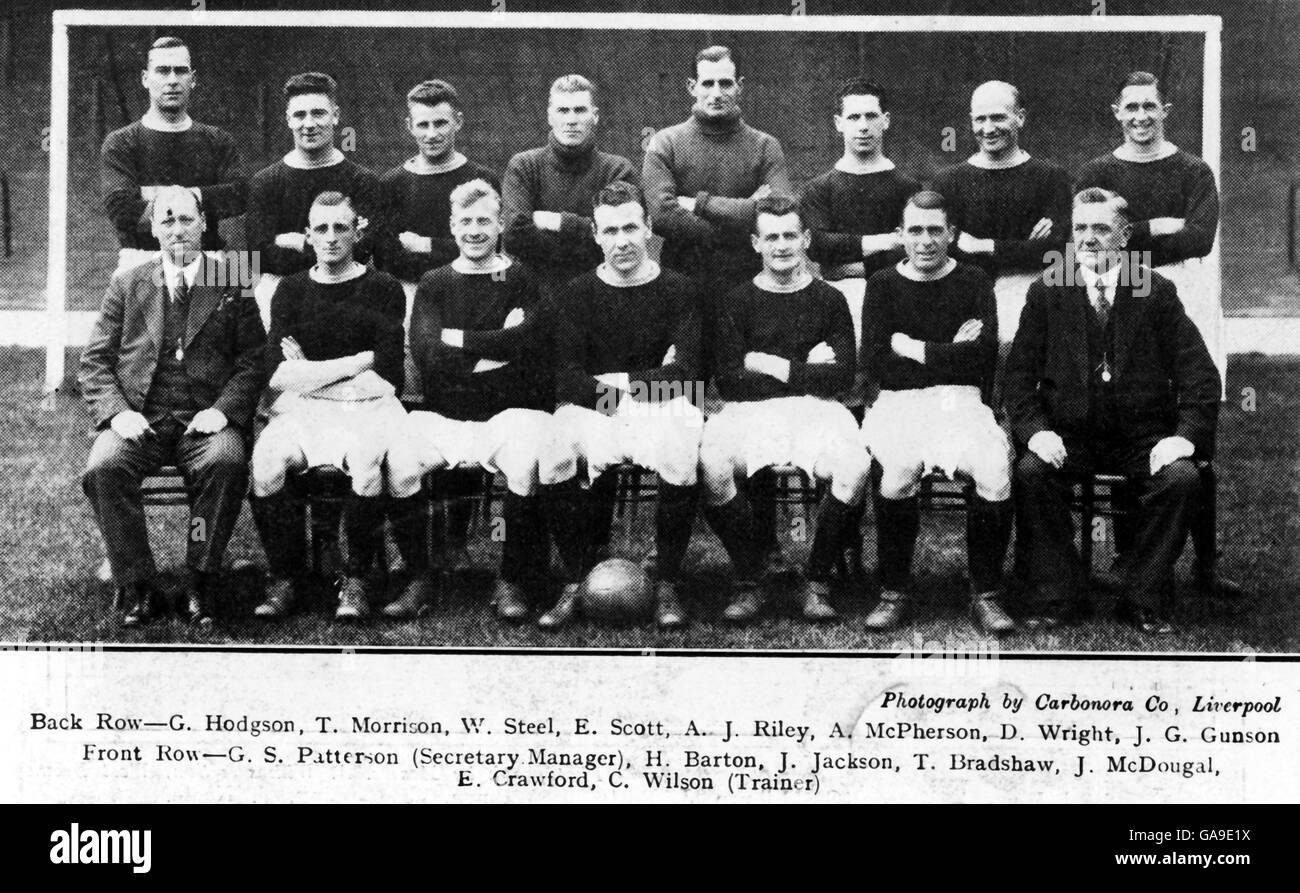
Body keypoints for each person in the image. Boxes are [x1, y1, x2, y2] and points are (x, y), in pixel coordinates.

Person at [1005, 187, 1220, 635]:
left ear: (1124, 236)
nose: (1088, 239)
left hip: (1141, 437)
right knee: (1031, 473)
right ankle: (1061, 594)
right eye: (1080, 228)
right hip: (1069, 435)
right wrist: (1036, 432)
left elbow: (1200, 376)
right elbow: (1019, 380)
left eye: (1101, 229)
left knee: (1181, 478)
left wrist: (1181, 437)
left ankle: (1141, 595)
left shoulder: (1155, 290)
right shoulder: (1048, 290)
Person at [80, 185, 266, 627]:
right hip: (139, 418)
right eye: (167, 220)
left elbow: (254, 360)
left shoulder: (232, 276)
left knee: (225, 462)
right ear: (153, 228)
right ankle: (135, 582)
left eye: (186, 219)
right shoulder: (128, 281)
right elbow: (95, 360)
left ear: (204, 224)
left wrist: (224, 410)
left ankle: (199, 578)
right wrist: (118, 412)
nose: (177, 229)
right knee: (104, 467)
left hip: (204, 419)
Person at [643, 45, 792, 572]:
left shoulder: (764, 145)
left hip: (751, 298)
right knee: (682, 408)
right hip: (682, 298)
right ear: (691, 87)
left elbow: (778, 213)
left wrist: (700, 202)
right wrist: (742, 214)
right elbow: (660, 215)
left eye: (726, 83)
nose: (716, 92)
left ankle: (764, 547)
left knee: (751, 408)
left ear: (740, 85)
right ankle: (672, 561)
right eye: (707, 83)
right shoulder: (665, 143)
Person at [384, 180, 553, 621]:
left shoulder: (520, 278)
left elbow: (532, 350)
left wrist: (459, 340)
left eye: (484, 221)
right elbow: (428, 355)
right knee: (400, 459)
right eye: (465, 222)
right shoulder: (434, 282)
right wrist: (497, 347)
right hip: (444, 413)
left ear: (499, 225)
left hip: (511, 412)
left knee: (527, 459)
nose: (474, 230)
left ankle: (512, 578)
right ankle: (421, 575)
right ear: (451, 226)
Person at [538, 181, 703, 630]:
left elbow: (688, 373)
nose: (622, 240)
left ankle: (666, 580)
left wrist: (621, 382)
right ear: (595, 235)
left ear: (649, 228)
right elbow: (566, 377)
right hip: (600, 405)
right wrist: (620, 394)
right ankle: (575, 580)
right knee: (553, 454)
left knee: (678, 450)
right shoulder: (576, 293)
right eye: (610, 231)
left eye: (631, 227)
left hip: (667, 404)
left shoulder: (681, 288)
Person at [702, 195, 870, 623]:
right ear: (756, 243)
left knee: (853, 465)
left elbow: (842, 376)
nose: (782, 245)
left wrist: (769, 362)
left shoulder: (830, 300)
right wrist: (806, 366)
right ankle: (750, 577)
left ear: (806, 239)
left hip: (818, 409)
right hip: (751, 411)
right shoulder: (736, 300)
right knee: (713, 463)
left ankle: (817, 580)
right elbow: (730, 380)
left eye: (790, 235)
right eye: (771, 237)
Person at [860, 190, 1015, 634]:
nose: (925, 240)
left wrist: (912, 347)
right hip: (899, 403)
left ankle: (986, 592)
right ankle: (894, 590)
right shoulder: (883, 284)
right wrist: (950, 349)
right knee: (898, 468)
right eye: (915, 230)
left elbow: (983, 358)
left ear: (951, 233)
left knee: (993, 467)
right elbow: (877, 362)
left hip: (961, 400)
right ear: (900, 235)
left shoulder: (974, 281)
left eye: (935, 230)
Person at [249, 191, 406, 622]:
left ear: (358, 231)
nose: (332, 237)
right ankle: (286, 576)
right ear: (307, 236)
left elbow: (387, 379)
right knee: (265, 461)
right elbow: (277, 374)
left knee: (366, 460)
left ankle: (355, 578)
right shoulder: (291, 290)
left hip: (367, 411)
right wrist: (356, 362)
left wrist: (313, 375)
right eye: (321, 228)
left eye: (341, 227)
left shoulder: (383, 288)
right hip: (303, 410)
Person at [1076, 71, 1224, 388]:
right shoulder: (1096, 172)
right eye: (1131, 108)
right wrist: (1153, 226)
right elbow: (1085, 243)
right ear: (1117, 112)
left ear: (1164, 110)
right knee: (1122, 382)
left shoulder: (1194, 171)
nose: (1140, 117)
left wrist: (1120, 237)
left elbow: (1199, 239)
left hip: (1180, 282)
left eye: (1149, 106)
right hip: (1118, 283)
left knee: (1188, 382)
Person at [803, 79, 920, 417]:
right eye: (853, 118)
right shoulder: (819, 188)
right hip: (838, 294)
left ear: (886, 120)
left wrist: (854, 263)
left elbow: (912, 249)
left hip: (896, 292)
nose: (863, 126)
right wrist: (882, 241)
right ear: (838, 123)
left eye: (871, 116)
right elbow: (820, 246)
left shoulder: (906, 187)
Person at [930, 81, 1071, 344]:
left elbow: (1057, 252)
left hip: (1028, 289)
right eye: (980, 119)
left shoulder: (1052, 178)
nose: (988, 128)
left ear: (1020, 117)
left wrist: (986, 246)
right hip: (961, 291)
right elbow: (943, 250)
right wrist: (1024, 248)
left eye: (998, 117)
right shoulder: (947, 181)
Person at [245, 72, 382, 326]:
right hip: (279, 294)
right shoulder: (265, 182)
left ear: (336, 116)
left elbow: (362, 250)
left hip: (347, 290)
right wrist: (329, 250)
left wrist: (298, 242)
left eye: (318, 113)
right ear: (288, 120)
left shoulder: (362, 181)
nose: (308, 124)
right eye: (299, 115)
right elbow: (259, 255)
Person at [100, 36, 246, 271]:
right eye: (162, 71)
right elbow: (122, 212)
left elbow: (239, 195)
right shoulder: (122, 142)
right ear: (145, 79)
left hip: (207, 263)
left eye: (180, 71)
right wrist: (198, 205)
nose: (172, 80)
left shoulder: (218, 140)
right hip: (142, 260)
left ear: (193, 79)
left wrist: (153, 197)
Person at [502, 74, 636, 300]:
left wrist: (558, 222)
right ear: (549, 116)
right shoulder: (524, 166)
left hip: (602, 297)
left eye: (580, 110)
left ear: (594, 116)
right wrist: (590, 234)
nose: (571, 120)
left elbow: (620, 239)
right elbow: (515, 237)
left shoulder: (617, 169)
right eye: (563, 111)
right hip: (537, 298)